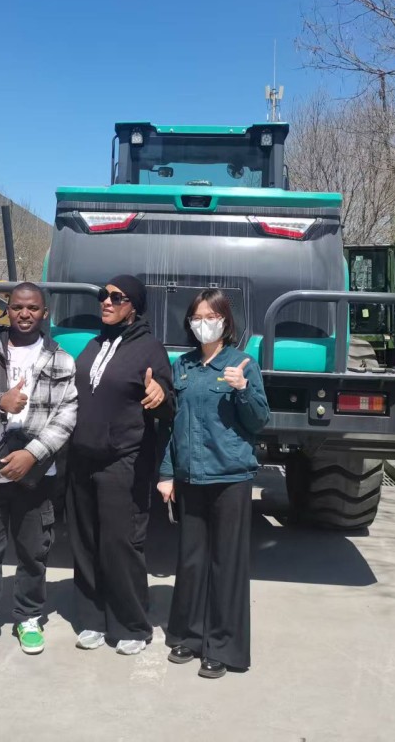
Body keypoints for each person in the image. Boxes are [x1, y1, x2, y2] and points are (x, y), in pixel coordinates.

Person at [0, 282, 77, 661]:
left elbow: (66, 417)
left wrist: (32, 456)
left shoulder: (61, 360)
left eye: (33, 308)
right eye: (18, 307)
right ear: (8, 310)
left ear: (44, 313)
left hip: (35, 475)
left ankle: (29, 617)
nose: (25, 314)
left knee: (33, 551)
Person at [157, 288, 270, 678]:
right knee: (191, 560)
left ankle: (221, 646)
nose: (204, 323)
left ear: (225, 321)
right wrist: (167, 473)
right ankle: (189, 636)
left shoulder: (241, 364)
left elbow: (259, 420)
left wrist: (242, 390)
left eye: (211, 316)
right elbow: (172, 425)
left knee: (227, 562)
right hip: (190, 476)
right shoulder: (183, 366)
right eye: (197, 317)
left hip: (229, 477)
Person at [67, 274, 174, 655]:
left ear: (134, 307)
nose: (107, 302)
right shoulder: (93, 344)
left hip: (124, 460)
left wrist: (160, 395)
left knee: (121, 544)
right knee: (85, 541)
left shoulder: (150, 349)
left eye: (117, 297)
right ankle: (92, 619)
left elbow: (169, 406)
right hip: (82, 459)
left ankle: (132, 625)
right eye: (103, 295)